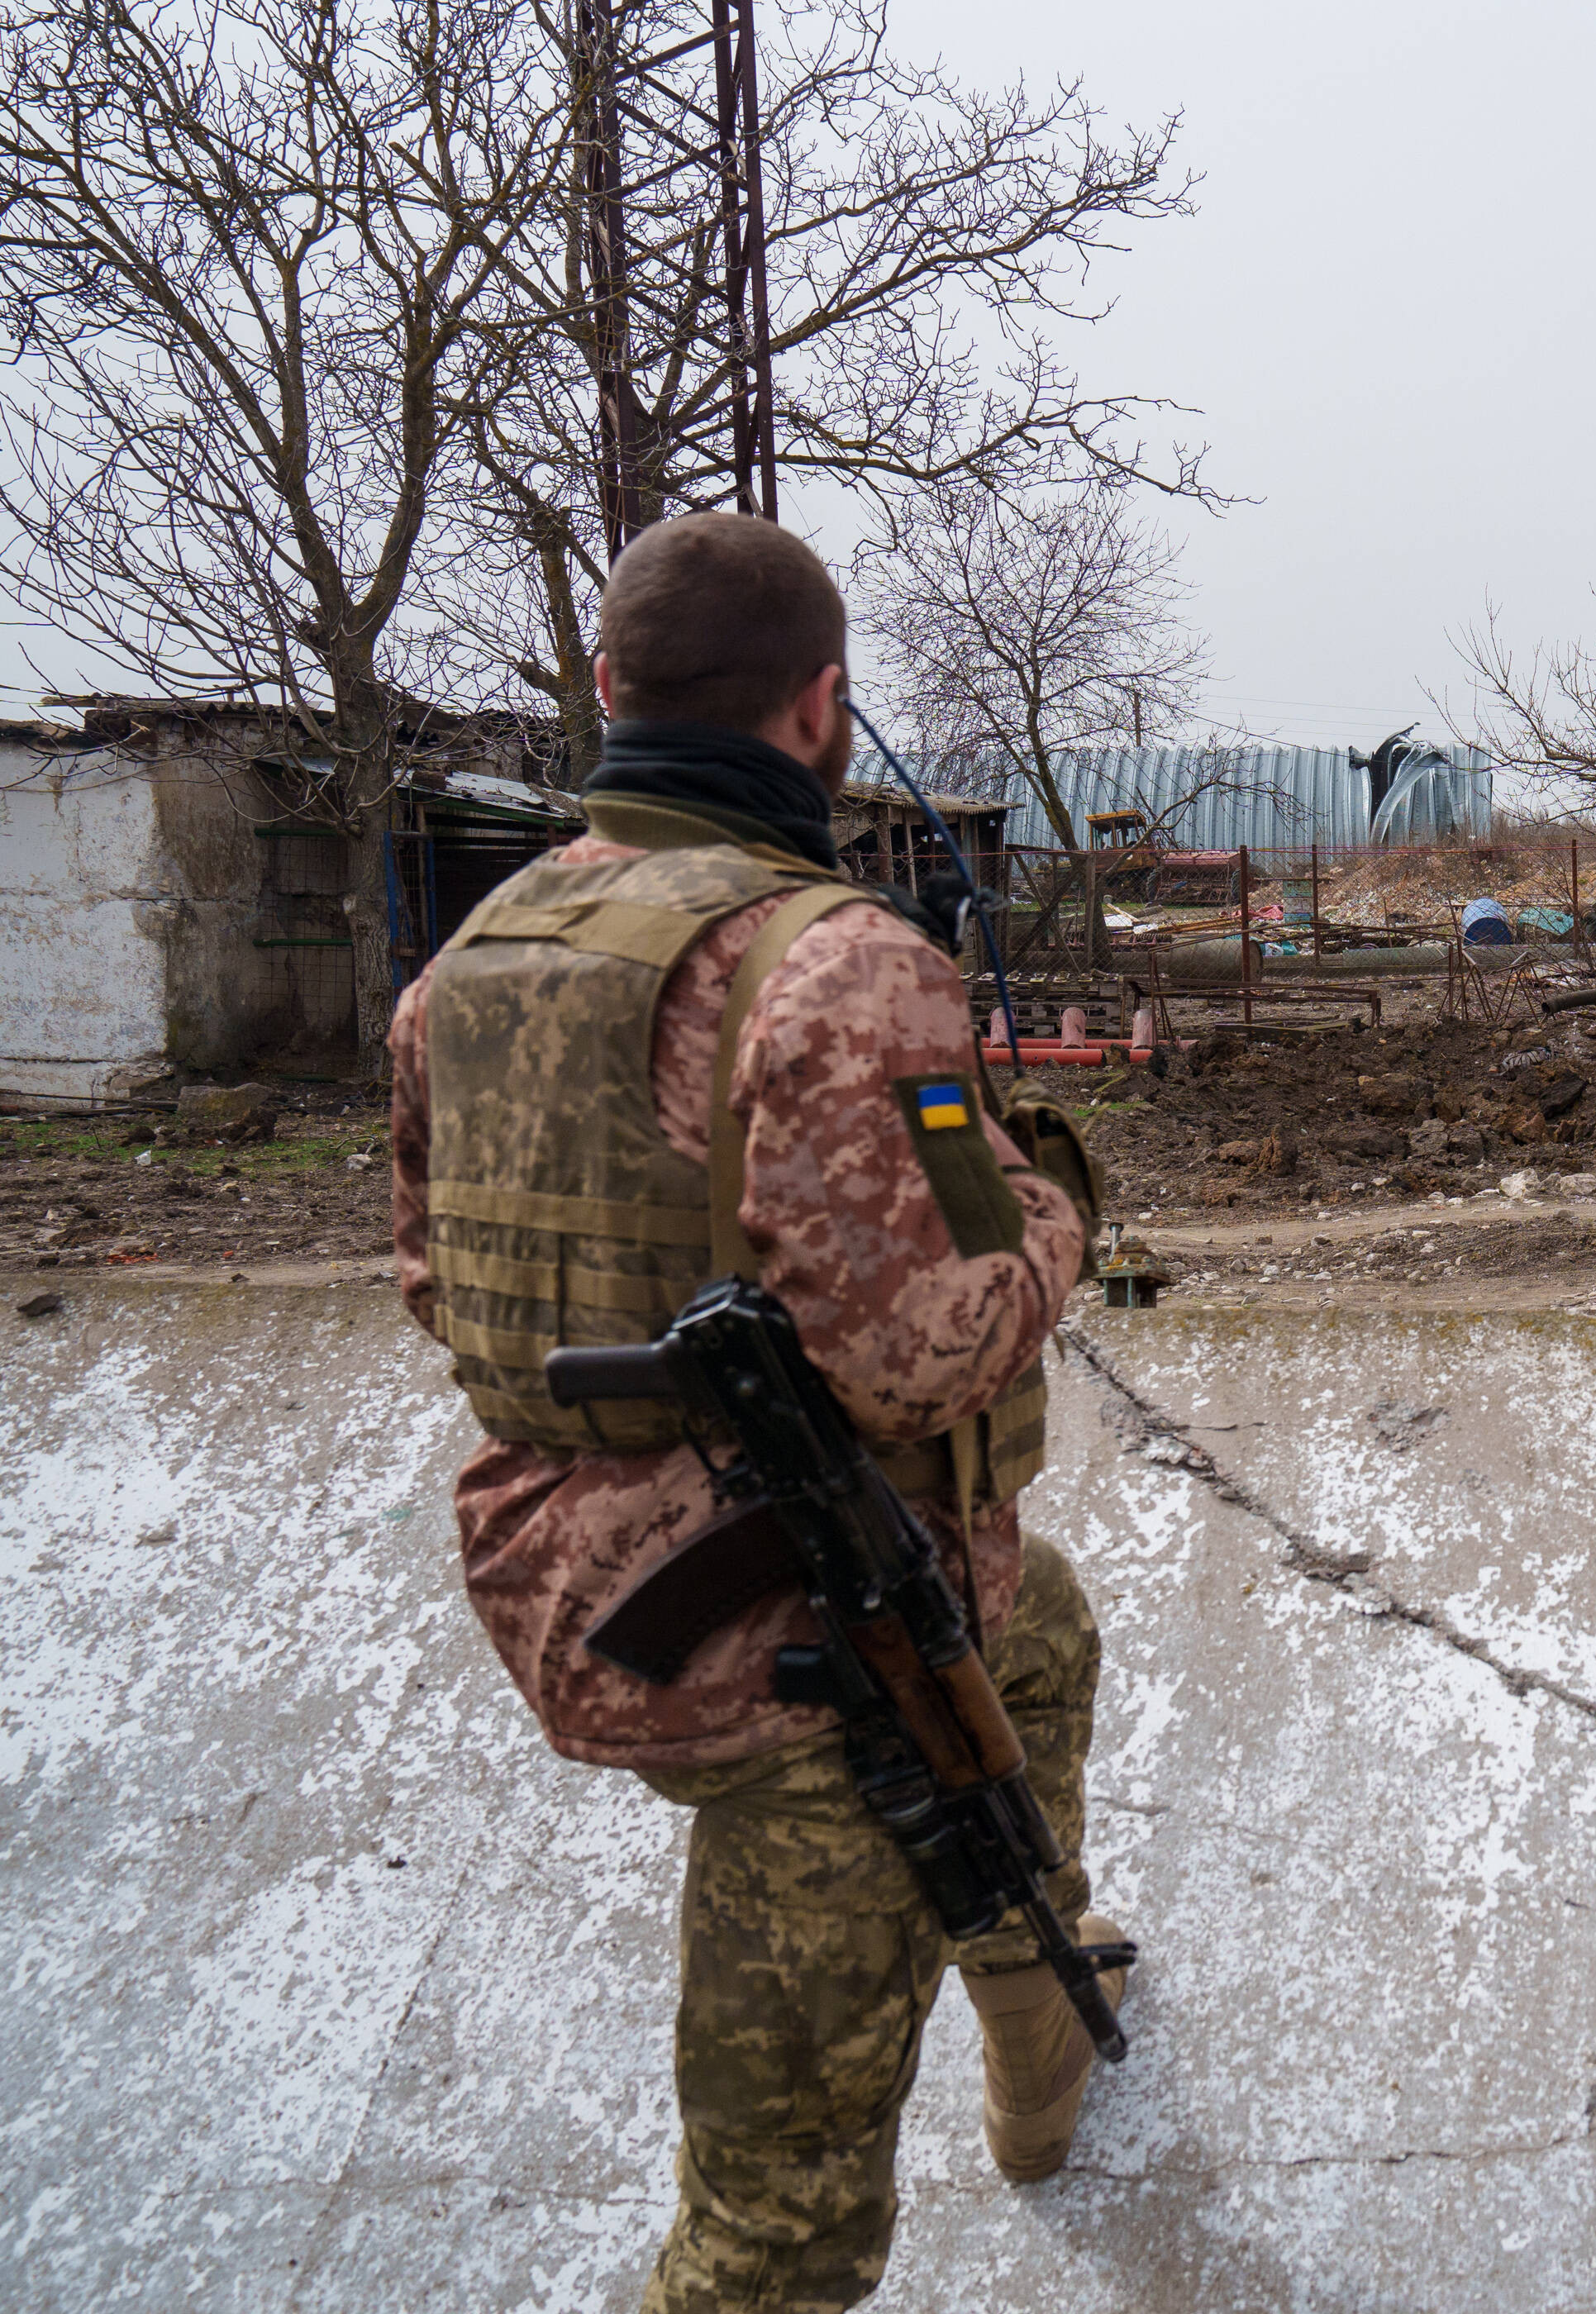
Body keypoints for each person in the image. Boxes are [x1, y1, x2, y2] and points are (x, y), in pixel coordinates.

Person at [387, 512, 1116, 2311]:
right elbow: (914, 1350)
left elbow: (432, 1276)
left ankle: (1043, 1985)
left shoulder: (468, 962)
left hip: (551, 1568)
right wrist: (1052, 1231)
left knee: (1044, 1633)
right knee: (774, 2238)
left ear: (614, 691)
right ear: (823, 709)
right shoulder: (843, 961)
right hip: (794, 1633)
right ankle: (1012, 1995)